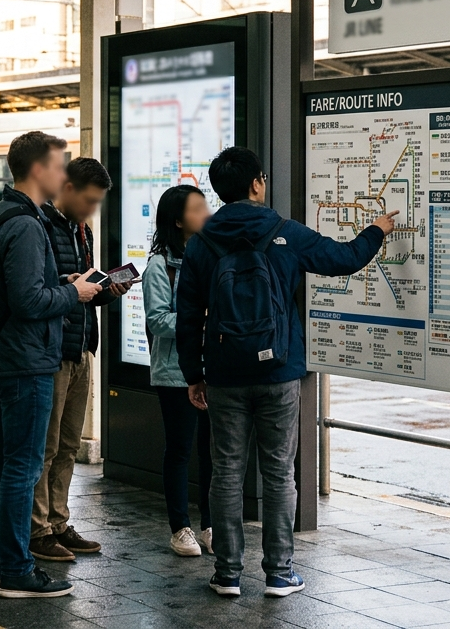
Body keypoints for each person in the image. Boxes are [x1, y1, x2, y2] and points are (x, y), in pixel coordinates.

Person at [176, 147, 396, 599]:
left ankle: (228, 574)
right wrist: (376, 230)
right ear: (257, 182)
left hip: (223, 373)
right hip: (279, 371)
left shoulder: (202, 241)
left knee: (226, 471)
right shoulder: (283, 232)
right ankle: (279, 572)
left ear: (218, 190)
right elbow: (343, 259)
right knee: (278, 471)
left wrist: (192, 375)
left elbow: (187, 316)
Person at [0, 131, 103, 599]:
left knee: (0, 464)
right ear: (38, 170)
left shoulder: (0, 215)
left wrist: (63, 281)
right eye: (59, 164)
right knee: (21, 468)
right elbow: (28, 300)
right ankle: (15, 570)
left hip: (4, 359)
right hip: (27, 361)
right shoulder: (27, 224)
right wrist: (75, 293)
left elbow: (18, 289)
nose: (63, 173)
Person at [30, 157, 126, 562]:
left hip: (81, 347)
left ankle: (59, 521)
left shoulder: (80, 229)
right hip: (52, 352)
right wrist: (71, 287)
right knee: (47, 447)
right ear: (67, 189)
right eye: (88, 200)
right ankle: (38, 531)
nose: (92, 210)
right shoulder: (40, 226)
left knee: (69, 444)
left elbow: (82, 283)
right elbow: (34, 290)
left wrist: (104, 290)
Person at [144, 185, 214, 557]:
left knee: (212, 450)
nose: (207, 212)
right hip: (174, 372)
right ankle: (179, 527)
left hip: (212, 367)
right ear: (177, 220)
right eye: (197, 208)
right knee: (181, 449)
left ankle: (209, 524)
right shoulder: (160, 265)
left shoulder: (209, 256)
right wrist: (200, 320)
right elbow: (157, 321)